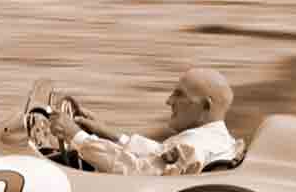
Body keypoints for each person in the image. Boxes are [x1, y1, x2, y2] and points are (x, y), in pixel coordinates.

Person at [48, 68, 241, 175]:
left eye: (180, 95)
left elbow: (134, 171)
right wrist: (113, 136)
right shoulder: (216, 139)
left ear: (205, 107)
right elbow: (159, 155)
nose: (169, 101)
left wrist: (75, 136)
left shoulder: (191, 147)